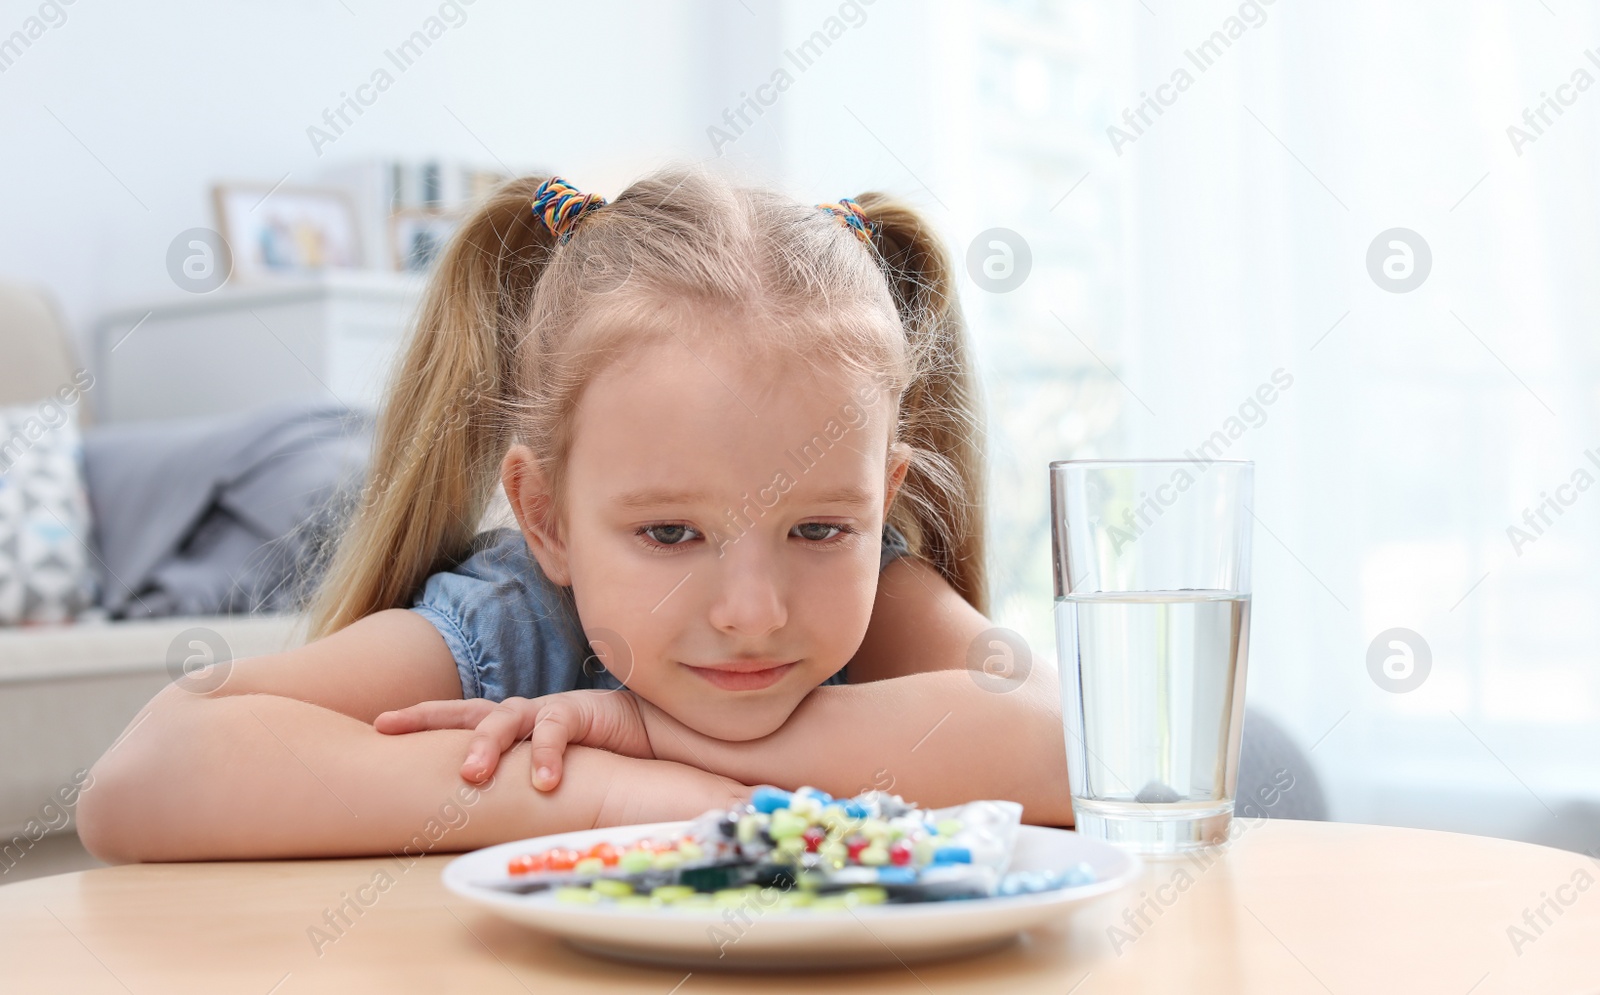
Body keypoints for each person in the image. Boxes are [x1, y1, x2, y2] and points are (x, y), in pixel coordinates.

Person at [77, 167, 1072, 862]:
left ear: (880, 499)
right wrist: (606, 793)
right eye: (670, 533)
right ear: (544, 517)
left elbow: (1080, 745)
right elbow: (142, 773)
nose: (753, 611)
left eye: (819, 528)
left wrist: (639, 729)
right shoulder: (509, 626)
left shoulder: (883, 586)